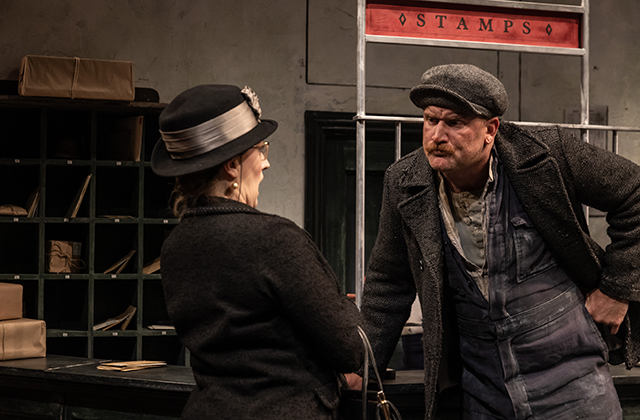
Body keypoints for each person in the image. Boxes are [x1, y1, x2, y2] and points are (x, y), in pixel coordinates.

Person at [357, 64, 640, 419]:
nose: (436, 135)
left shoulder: (546, 154)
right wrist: (361, 367)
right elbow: (389, 282)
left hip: (573, 383)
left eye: (455, 123)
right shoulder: (405, 182)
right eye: (430, 120)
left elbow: (635, 192)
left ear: (490, 129)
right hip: (483, 391)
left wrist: (617, 289)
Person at [151, 84, 364, 419]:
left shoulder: (176, 245)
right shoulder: (273, 238)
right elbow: (351, 348)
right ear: (232, 167)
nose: (265, 163)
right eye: (261, 150)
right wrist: (347, 308)